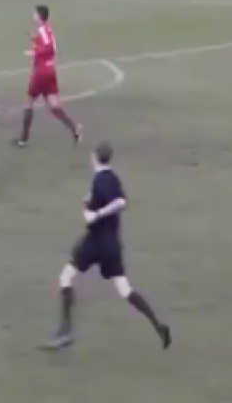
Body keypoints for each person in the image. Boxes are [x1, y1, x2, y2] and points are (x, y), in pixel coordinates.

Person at [42, 142, 171, 350]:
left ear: (94, 157)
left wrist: (95, 213)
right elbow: (116, 201)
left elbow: (119, 203)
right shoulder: (112, 178)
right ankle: (159, 326)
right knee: (125, 290)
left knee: (65, 277)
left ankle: (65, 331)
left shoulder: (101, 179)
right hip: (112, 245)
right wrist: (88, 204)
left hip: (95, 243)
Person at [15, 5, 80, 147]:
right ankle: (74, 128)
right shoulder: (46, 30)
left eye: (34, 14)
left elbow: (48, 47)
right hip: (50, 71)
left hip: (41, 72)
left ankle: (23, 139)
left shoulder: (43, 30)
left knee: (28, 103)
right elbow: (49, 47)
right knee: (54, 106)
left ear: (39, 16)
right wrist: (34, 40)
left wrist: (34, 53)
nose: (33, 16)